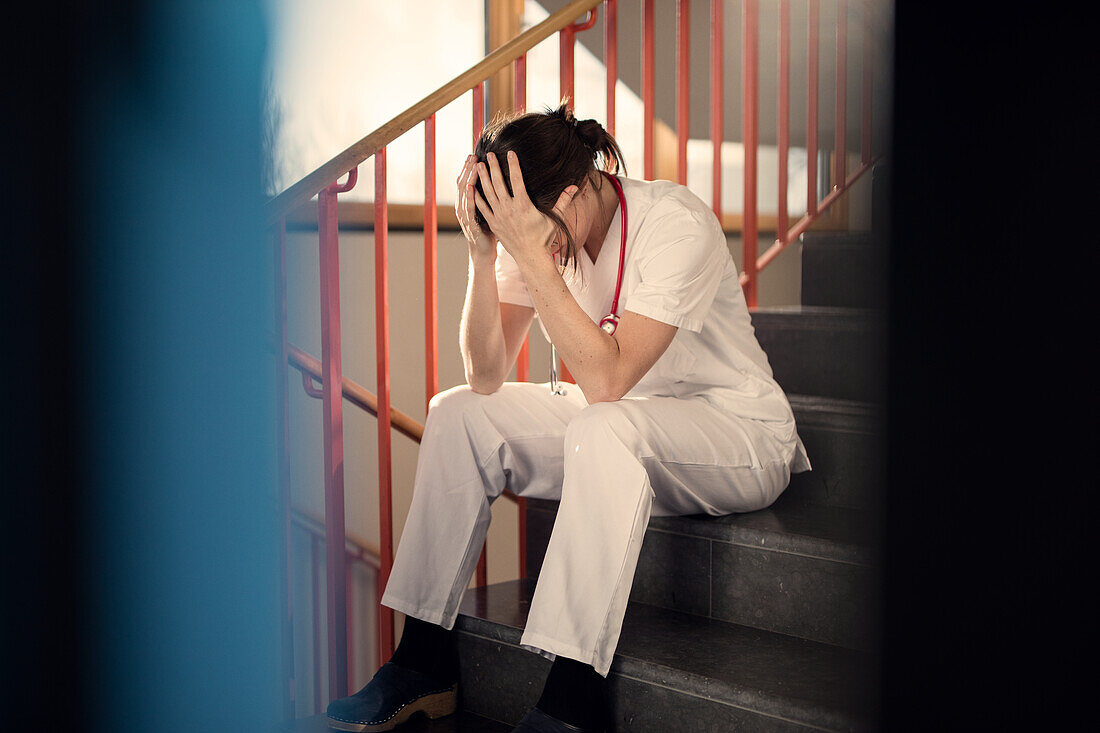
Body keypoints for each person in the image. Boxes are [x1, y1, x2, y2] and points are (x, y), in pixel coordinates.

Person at [325, 104, 811, 733]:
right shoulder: (540, 224)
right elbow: (485, 376)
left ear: (578, 191)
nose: (537, 245)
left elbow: (606, 380)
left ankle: (570, 699)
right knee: (460, 413)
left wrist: (530, 253)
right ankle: (422, 662)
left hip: (736, 431)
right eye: (522, 232)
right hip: (628, 425)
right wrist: (482, 256)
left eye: (539, 229)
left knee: (601, 422)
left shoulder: (675, 222)